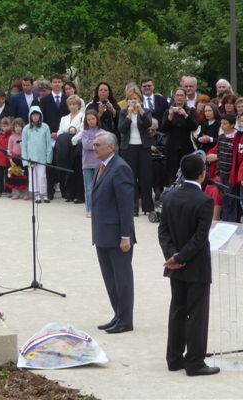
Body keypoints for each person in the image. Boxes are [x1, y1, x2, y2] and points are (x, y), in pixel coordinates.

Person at [158, 153, 218, 376]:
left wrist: (172, 255)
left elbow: (163, 231)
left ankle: (174, 358)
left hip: (175, 265)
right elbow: (200, 237)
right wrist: (180, 257)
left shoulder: (171, 196)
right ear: (203, 174)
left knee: (177, 311)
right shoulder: (204, 200)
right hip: (195, 266)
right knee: (197, 315)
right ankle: (194, 361)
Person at [92, 131, 135, 334]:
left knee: (122, 279)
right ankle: (118, 315)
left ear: (111, 147)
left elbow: (126, 205)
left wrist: (125, 236)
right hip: (102, 234)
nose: (94, 148)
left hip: (118, 236)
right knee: (110, 278)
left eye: (98, 145)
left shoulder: (120, 168)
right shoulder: (102, 166)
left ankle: (126, 320)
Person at [118, 87, 154, 216]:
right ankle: (133, 208)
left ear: (140, 100)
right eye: (130, 99)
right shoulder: (123, 112)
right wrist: (129, 115)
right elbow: (121, 129)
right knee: (130, 177)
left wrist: (140, 111)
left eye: (135, 99)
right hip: (128, 148)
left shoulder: (146, 111)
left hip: (144, 147)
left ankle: (148, 207)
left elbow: (149, 124)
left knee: (145, 177)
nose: (133, 101)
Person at [39, 74, 70, 200]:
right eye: (54, 82)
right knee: (50, 164)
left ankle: (64, 189)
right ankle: (50, 190)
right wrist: (50, 132)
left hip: (63, 136)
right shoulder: (45, 100)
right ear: (51, 84)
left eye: (59, 82)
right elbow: (42, 118)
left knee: (62, 162)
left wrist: (61, 132)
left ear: (62, 84)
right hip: (49, 136)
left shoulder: (67, 99)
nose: (57, 84)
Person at [161, 88, 198, 185]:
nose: (179, 98)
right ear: (174, 97)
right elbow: (163, 129)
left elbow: (194, 126)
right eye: (177, 95)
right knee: (172, 174)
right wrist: (170, 117)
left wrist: (186, 115)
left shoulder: (191, 111)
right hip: (172, 148)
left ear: (185, 98)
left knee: (187, 173)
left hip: (186, 147)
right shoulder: (168, 111)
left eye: (181, 95)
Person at [73, 109, 103, 217]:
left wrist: (93, 143)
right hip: (87, 164)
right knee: (89, 188)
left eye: (93, 119)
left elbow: (103, 145)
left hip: (99, 164)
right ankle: (89, 209)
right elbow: (86, 145)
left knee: (99, 187)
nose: (91, 121)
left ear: (97, 119)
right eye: (88, 119)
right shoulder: (84, 132)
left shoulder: (102, 132)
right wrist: (96, 143)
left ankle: (99, 208)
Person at [22, 106, 52, 203]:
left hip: (42, 157)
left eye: (37, 115)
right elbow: (24, 145)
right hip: (31, 158)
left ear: (40, 115)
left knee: (42, 176)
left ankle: (44, 194)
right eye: (33, 115)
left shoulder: (45, 127)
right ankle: (37, 195)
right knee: (33, 177)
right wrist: (25, 160)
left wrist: (49, 158)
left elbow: (48, 144)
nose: (35, 117)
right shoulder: (26, 129)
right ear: (30, 116)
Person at [6, 117, 29, 200]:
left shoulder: (25, 136)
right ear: (13, 128)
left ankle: (26, 193)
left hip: (23, 159)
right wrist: (10, 160)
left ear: (23, 127)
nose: (18, 128)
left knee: (24, 176)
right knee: (14, 176)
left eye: (19, 126)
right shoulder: (11, 137)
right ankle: (16, 193)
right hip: (14, 159)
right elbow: (9, 150)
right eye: (16, 127)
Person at [0, 116, 12, 198]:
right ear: (1, 126)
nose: (5, 127)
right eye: (3, 126)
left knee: (8, 176)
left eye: (7, 125)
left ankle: (8, 190)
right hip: (0, 159)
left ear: (10, 126)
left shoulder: (11, 136)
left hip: (8, 159)